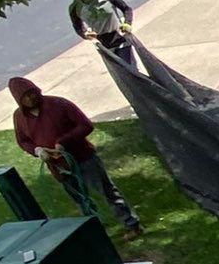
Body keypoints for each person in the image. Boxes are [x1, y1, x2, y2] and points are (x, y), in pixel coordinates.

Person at [8, 76, 140, 238]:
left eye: (31, 93)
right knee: (81, 200)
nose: (30, 98)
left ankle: (132, 225)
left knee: (107, 192)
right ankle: (97, 231)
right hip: (58, 166)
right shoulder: (19, 117)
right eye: (25, 96)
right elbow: (23, 141)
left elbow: (85, 125)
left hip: (83, 157)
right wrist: (37, 150)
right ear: (19, 100)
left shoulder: (58, 104)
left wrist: (63, 142)